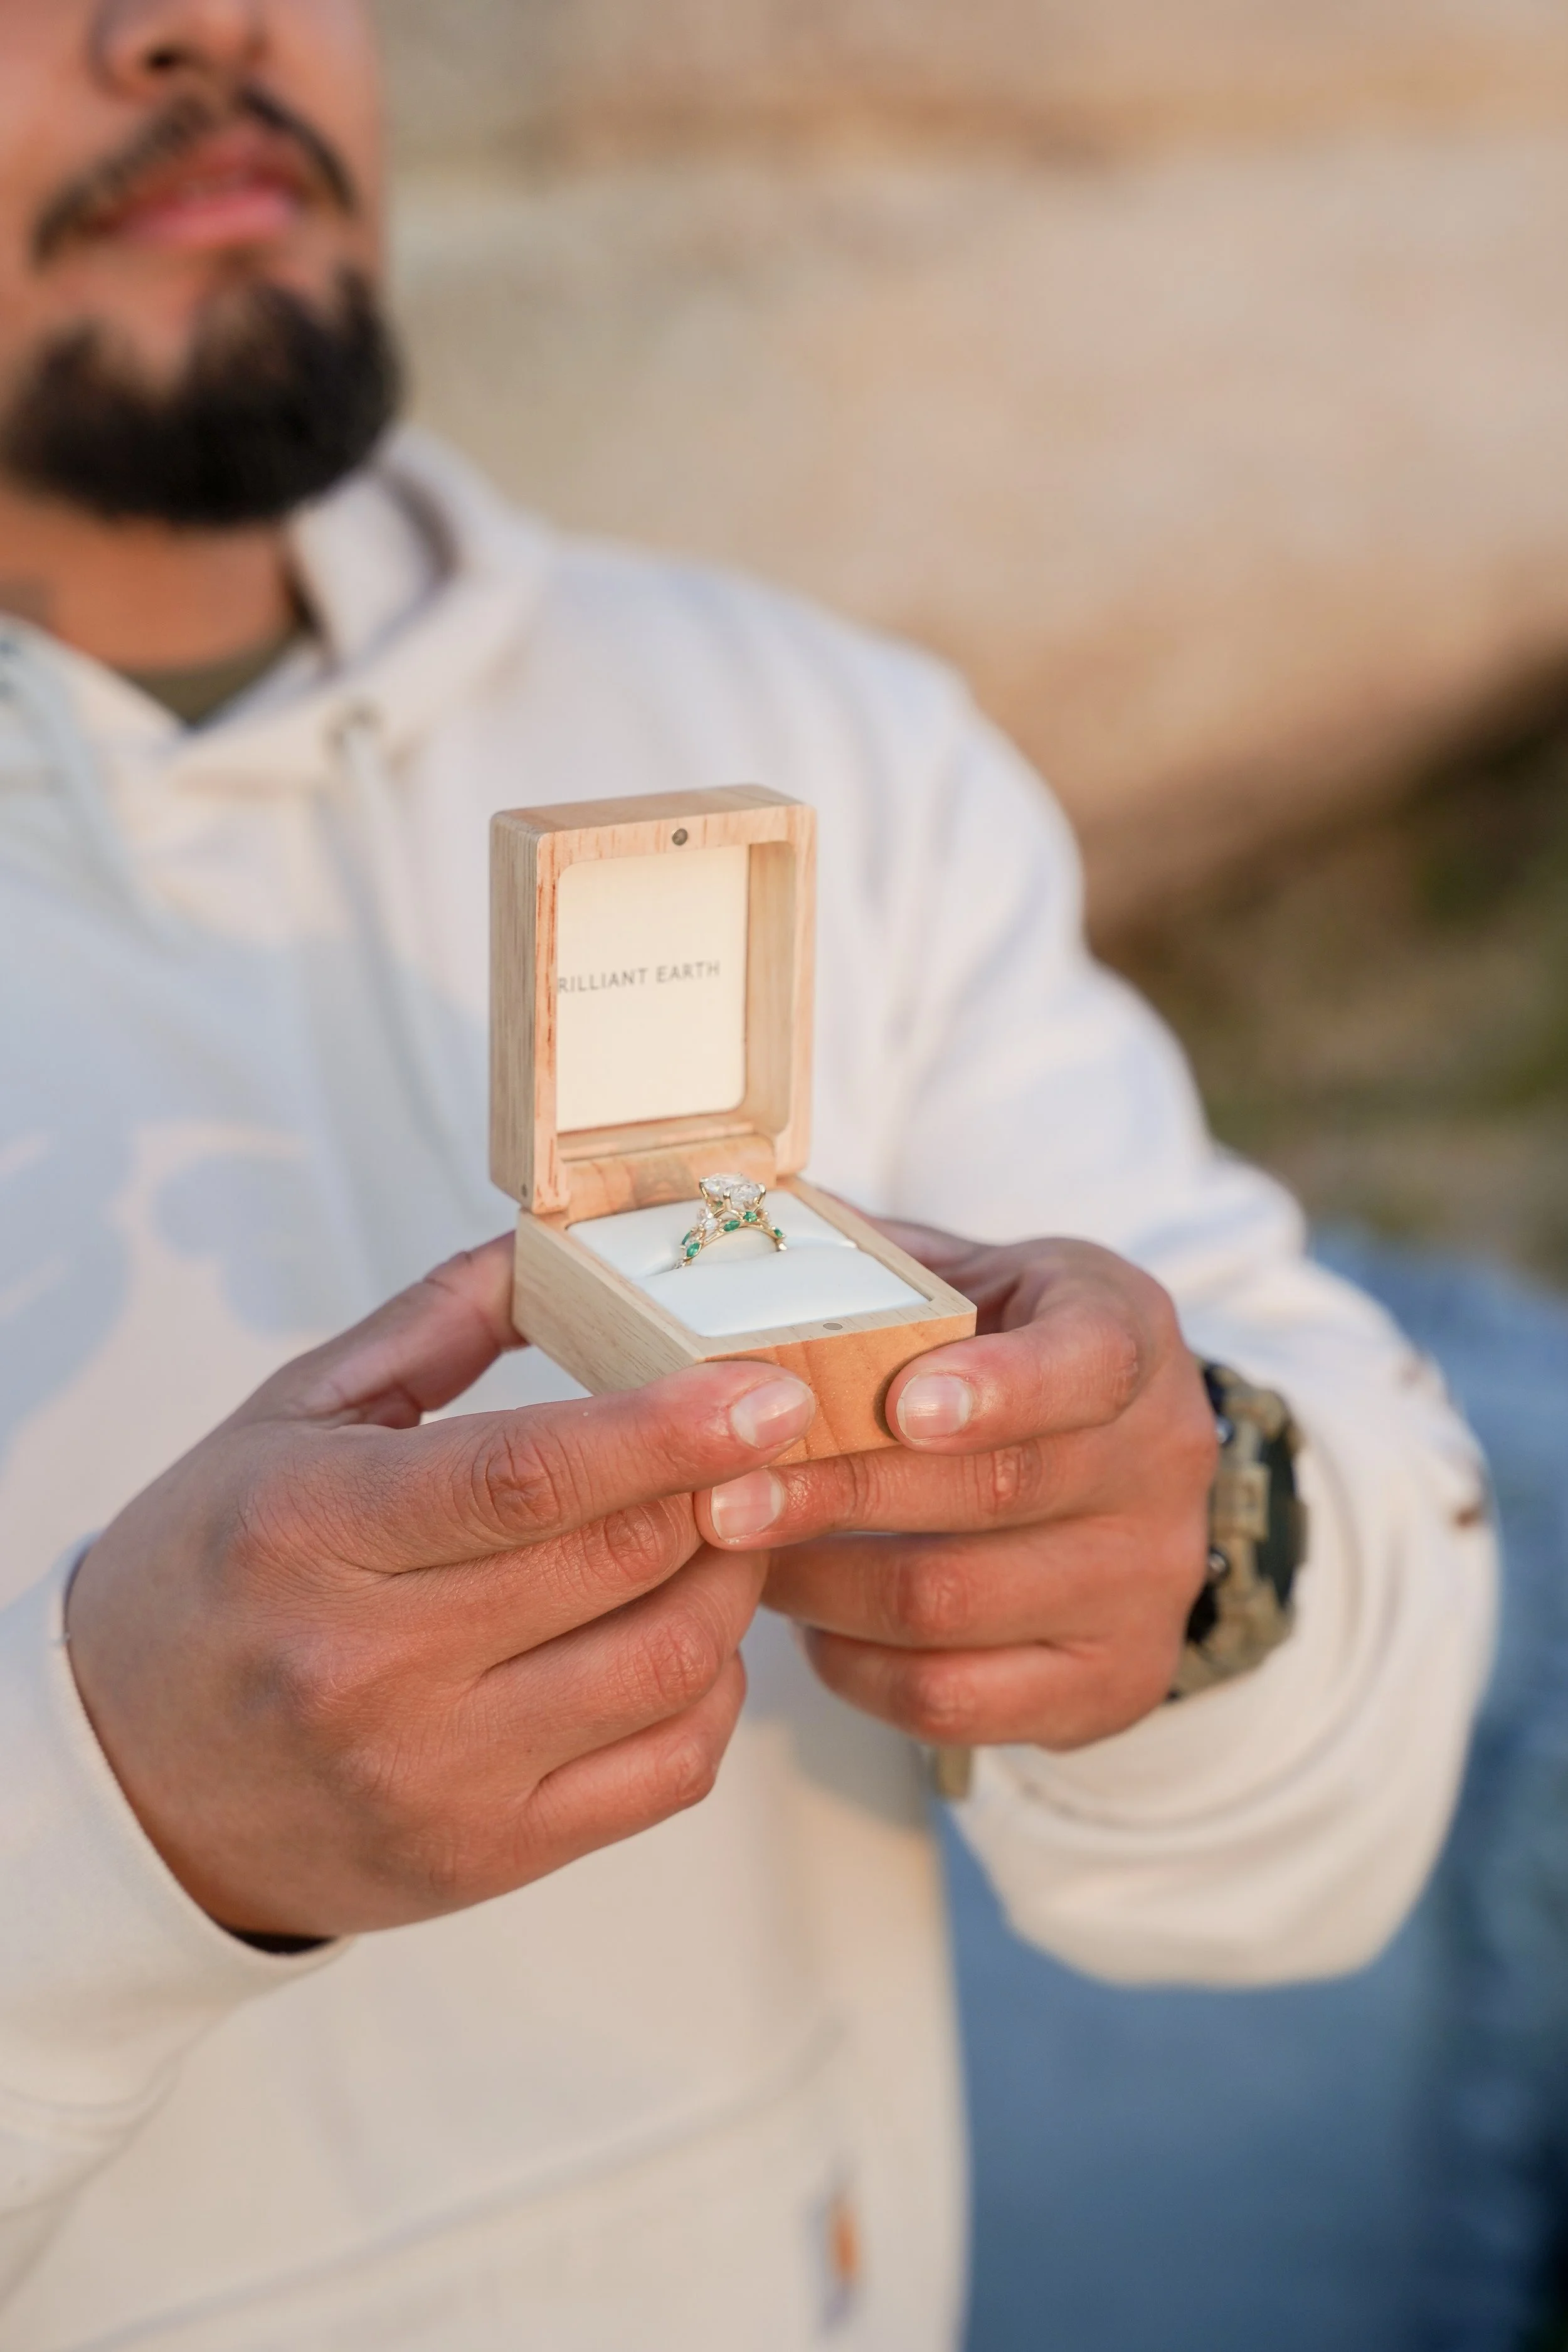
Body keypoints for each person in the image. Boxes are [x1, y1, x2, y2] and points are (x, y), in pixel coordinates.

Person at [0, 4, 1495, 2347]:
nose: (195, 24)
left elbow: (1332, 1786)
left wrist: (1191, 1542)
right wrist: (106, 1828)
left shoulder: (814, 729)